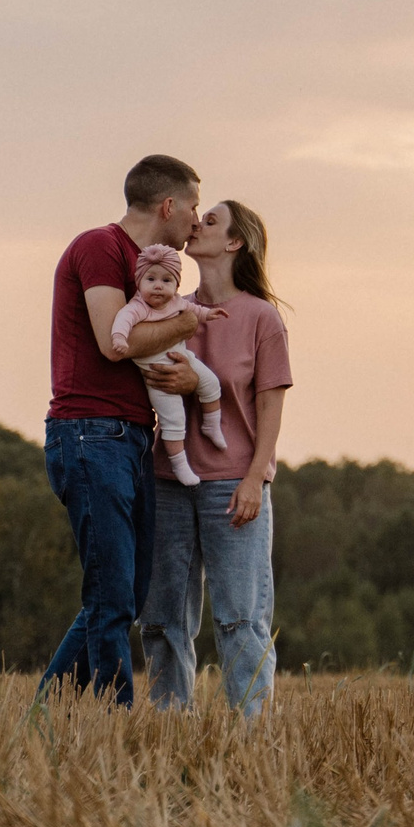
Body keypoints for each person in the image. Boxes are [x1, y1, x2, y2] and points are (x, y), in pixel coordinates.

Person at [40, 154, 208, 706]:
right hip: (90, 435)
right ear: (168, 205)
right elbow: (120, 342)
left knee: (125, 596)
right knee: (110, 596)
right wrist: (187, 320)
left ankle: (48, 713)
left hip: (132, 439)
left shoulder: (148, 272)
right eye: (193, 208)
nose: (195, 222)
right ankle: (115, 723)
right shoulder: (100, 246)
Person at [142, 197, 292, 716]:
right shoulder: (168, 305)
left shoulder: (262, 318)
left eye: (210, 221)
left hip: (233, 484)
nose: (196, 224)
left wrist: (256, 479)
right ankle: (166, 730)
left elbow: (270, 408)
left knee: (240, 618)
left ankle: (252, 741)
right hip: (167, 480)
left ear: (234, 242)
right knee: (162, 618)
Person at [111, 242, 227, 481]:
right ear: (139, 282)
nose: (158, 286)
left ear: (175, 286)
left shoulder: (175, 301)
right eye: (150, 279)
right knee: (173, 420)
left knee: (212, 384)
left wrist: (209, 314)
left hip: (184, 358)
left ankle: (211, 424)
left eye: (166, 281)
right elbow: (122, 320)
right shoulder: (137, 307)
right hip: (158, 373)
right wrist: (119, 338)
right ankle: (180, 464)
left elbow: (193, 309)